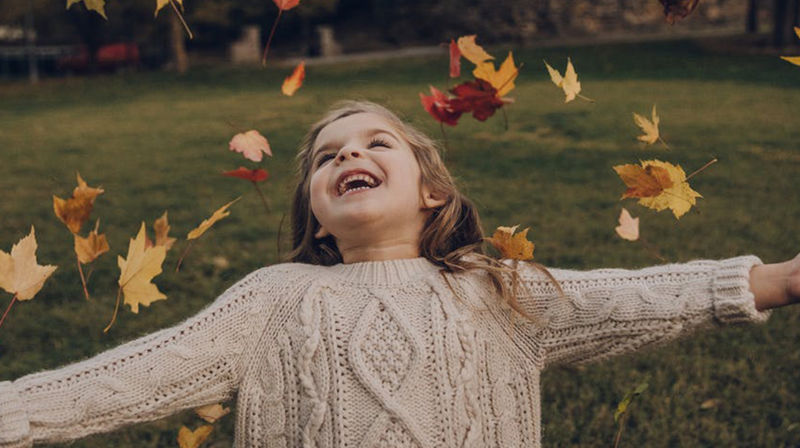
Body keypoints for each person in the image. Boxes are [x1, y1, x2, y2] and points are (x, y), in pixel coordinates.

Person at [0, 100, 797, 448]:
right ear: (314, 212)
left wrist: (781, 280)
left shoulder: (494, 290)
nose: (349, 154)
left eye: (376, 144)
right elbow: (135, 375)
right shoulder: (278, 298)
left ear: (433, 191)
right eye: (326, 157)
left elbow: (638, 297)